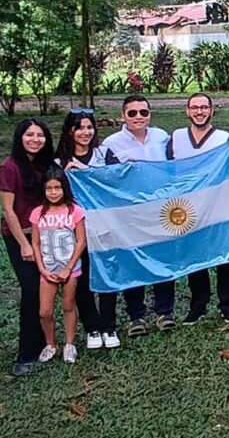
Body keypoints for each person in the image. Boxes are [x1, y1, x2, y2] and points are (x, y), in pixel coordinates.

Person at [99, 94, 173, 335]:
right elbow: (105, 180)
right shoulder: (111, 143)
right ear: (123, 116)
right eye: (132, 113)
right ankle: (136, 317)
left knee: (162, 259)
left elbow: (174, 168)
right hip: (129, 214)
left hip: (160, 210)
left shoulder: (162, 137)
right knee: (134, 261)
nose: (138, 117)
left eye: (144, 112)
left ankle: (164, 312)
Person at [165, 93, 229, 325]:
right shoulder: (176, 138)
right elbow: (166, 172)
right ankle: (198, 305)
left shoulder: (225, 138)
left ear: (212, 110)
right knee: (195, 257)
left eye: (204, 107)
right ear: (187, 111)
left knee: (224, 257)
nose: (199, 111)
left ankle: (227, 305)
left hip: (218, 207)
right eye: (195, 107)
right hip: (188, 209)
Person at [55, 109, 120, 350]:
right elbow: (53, 192)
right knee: (82, 278)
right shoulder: (59, 161)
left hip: (105, 227)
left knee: (107, 274)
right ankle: (92, 327)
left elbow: (118, 181)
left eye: (89, 127)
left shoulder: (104, 154)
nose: (85, 132)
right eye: (79, 127)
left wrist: (86, 173)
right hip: (75, 231)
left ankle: (109, 325)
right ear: (70, 131)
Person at [0, 118, 54, 376]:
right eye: (29, 135)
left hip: (47, 235)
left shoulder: (47, 165)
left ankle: (47, 341)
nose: (35, 140)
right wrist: (24, 244)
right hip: (20, 236)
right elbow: (8, 211)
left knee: (46, 288)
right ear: (20, 138)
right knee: (31, 290)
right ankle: (26, 353)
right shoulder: (9, 167)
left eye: (40, 135)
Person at [30, 167, 87, 365]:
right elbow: (35, 243)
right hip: (48, 269)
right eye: (49, 188)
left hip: (69, 269)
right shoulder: (38, 213)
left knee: (68, 305)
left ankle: (69, 344)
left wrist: (68, 268)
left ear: (65, 188)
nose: (53, 192)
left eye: (57, 188)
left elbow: (81, 241)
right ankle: (50, 343)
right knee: (44, 311)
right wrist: (42, 269)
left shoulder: (75, 211)